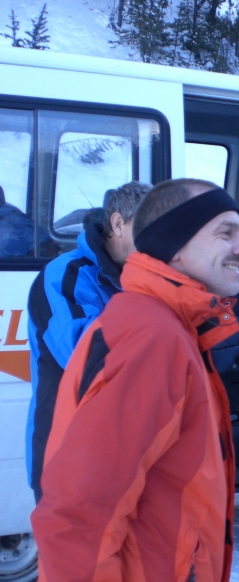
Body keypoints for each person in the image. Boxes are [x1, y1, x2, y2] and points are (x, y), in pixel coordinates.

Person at [30, 179, 239, 581]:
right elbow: (79, 515)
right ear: (175, 244)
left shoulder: (172, 326)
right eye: (226, 232)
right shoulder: (151, 337)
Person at [26, 180, 150, 503]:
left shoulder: (136, 275)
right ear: (118, 224)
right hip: (66, 451)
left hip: (125, 449)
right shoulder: (67, 275)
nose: (157, 240)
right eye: (148, 227)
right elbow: (85, 356)